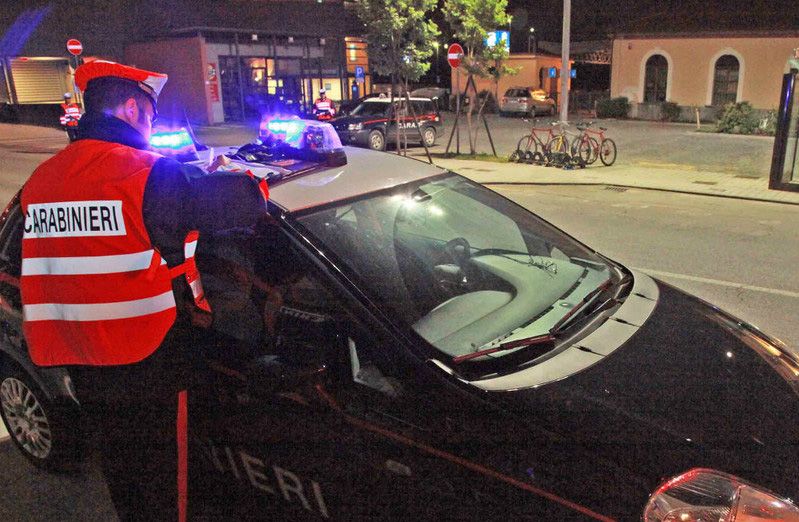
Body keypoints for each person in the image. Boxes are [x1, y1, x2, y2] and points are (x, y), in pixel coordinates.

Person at [19, 60, 268, 521]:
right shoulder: (146, 172)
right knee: (168, 483)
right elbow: (243, 203)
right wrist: (246, 173)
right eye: (151, 116)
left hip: (79, 357)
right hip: (146, 360)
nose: (151, 126)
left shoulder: (42, 179)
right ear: (132, 109)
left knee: (122, 469)